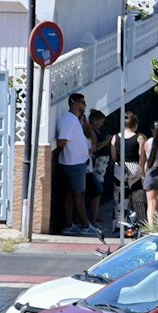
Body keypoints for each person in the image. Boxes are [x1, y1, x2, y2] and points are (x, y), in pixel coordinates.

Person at [54, 93, 92, 235]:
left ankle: (69, 225)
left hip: (76, 163)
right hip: (73, 164)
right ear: (74, 103)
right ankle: (85, 226)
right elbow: (62, 142)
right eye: (82, 102)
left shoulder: (74, 120)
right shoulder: (69, 121)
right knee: (79, 195)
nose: (85, 105)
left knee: (71, 195)